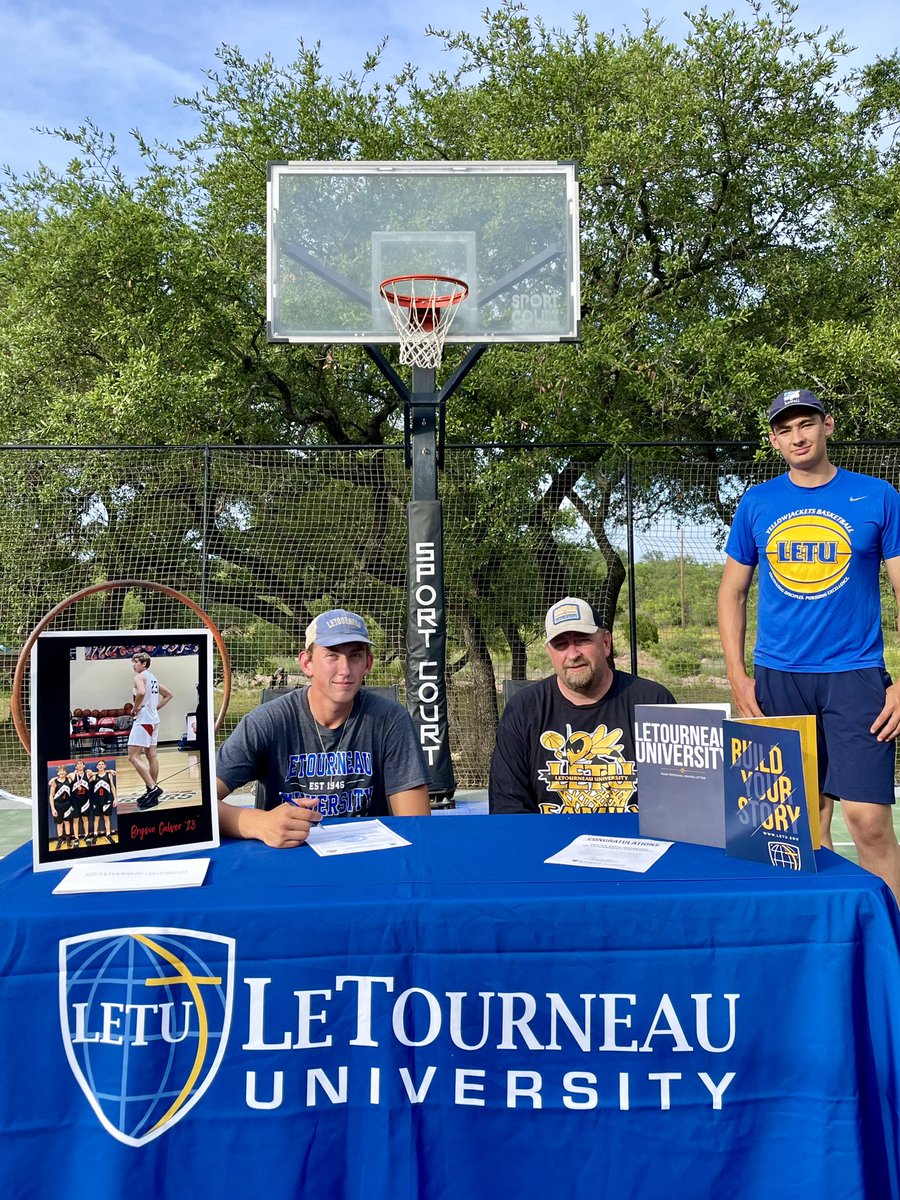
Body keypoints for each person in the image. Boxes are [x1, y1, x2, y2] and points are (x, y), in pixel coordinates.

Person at [717, 388, 900, 903]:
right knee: (796, 831)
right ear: (774, 441)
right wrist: (737, 675)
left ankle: (892, 953)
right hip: (778, 680)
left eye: (806, 424)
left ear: (828, 427)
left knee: (868, 824)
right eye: (785, 429)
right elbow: (731, 592)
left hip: (856, 677)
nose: (797, 436)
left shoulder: (878, 496)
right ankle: (819, 945)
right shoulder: (758, 502)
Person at [216, 609, 431, 847]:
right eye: (332, 655)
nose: (345, 670)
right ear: (307, 663)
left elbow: (417, 824)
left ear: (367, 664)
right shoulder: (267, 721)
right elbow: (197, 805)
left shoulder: (390, 721)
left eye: (355, 656)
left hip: (368, 855)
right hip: (290, 854)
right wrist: (257, 823)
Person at [489, 597, 676, 813]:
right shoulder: (523, 710)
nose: (573, 654)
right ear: (550, 652)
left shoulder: (655, 703)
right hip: (551, 843)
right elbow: (507, 806)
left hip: (636, 842)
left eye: (582, 640)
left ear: (606, 643)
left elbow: (679, 798)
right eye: (561, 644)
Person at [127, 652, 173, 810]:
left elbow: (140, 692)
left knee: (133, 757)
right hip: (154, 720)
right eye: (133, 662)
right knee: (151, 755)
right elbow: (168, 695)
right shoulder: (153, 677)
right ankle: (151, 792)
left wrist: (135, 708)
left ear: (144, 664)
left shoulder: (140, 677)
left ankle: (153, 788)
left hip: (143, 720)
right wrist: (155, 708)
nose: (134, 665)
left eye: (136, 662)